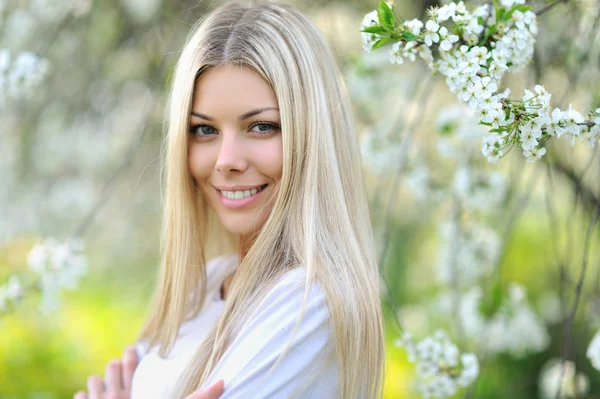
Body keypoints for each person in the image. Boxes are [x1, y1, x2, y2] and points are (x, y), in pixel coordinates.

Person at [74, 1, 385, 398]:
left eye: (261, 126)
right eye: (204, 130)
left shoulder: (307, 302)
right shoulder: (208, 286)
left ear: (313, 137)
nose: (226, 162)